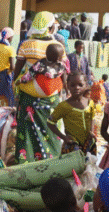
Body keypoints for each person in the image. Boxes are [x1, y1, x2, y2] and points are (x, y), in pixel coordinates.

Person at [14, 13, 67, 164]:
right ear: (50, 27)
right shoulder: (59, 46)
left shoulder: (26, 45)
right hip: (51, 97)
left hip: (29, 97)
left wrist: (15, 84)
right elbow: (64, 71)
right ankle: (52, 161)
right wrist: (64, 90)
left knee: (27, 131)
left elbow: (17, 70)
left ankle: (25, 162)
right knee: (51, 129)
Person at [48, 71, 97, 155]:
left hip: (88, 143)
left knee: (89, 162)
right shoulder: (64, 106)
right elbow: (50, 122)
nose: (76, 88)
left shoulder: (90, 103)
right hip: (72, 145)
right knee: (74, 163)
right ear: (67, 86)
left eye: (80, 85)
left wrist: (91, 131)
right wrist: (64, 137)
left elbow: (92, 117)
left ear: (86, 85)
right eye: (72, 85)